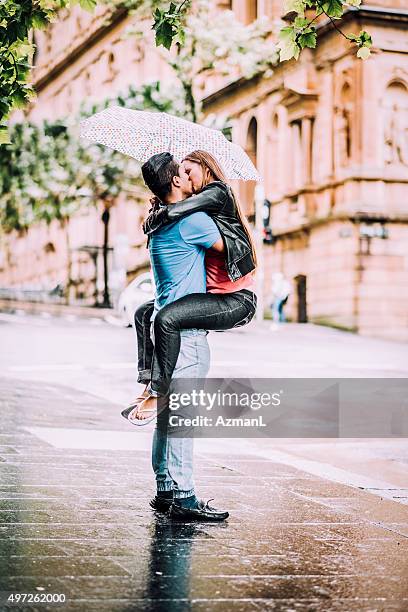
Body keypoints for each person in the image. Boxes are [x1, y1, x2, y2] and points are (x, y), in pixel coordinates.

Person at [126, 150, 258, 423]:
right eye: (181, 173)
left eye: (189, 170)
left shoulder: (218, 192)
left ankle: (160, 392)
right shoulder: (197, 209)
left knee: (166, 318)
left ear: (206, 167)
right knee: (143, 313)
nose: (185, 177)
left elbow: (183, 209)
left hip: (235, 298)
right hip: (212, 295)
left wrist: (162, 214)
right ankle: (148, 383)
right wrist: (159, 208)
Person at [132, 152, 229, 520]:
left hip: (162, 326)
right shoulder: (194, 222)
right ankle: (184, 496)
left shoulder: (156, 221)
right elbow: (230, 246)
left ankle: (165, 488)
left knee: (166, 414)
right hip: (186, 334)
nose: (190, 178)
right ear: (175, 182)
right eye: (185, 174)